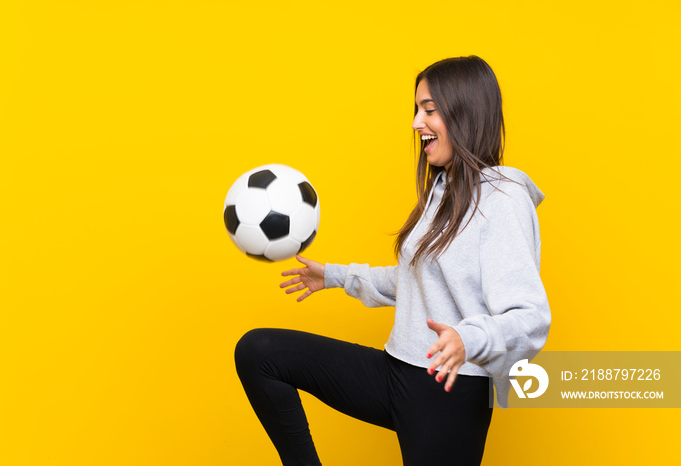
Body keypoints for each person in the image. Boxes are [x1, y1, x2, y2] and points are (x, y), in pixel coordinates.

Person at [234, 55, 551, 466]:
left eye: (430, 110)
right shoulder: (444, 191)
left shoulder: (502, 200)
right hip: (398, 369)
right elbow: (417, 283)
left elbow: (530, 318)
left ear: (466, 113)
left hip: (450, 393)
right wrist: (333, 276)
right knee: (259, 351)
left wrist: (467, 339)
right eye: (417, 109)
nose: (416, 123)